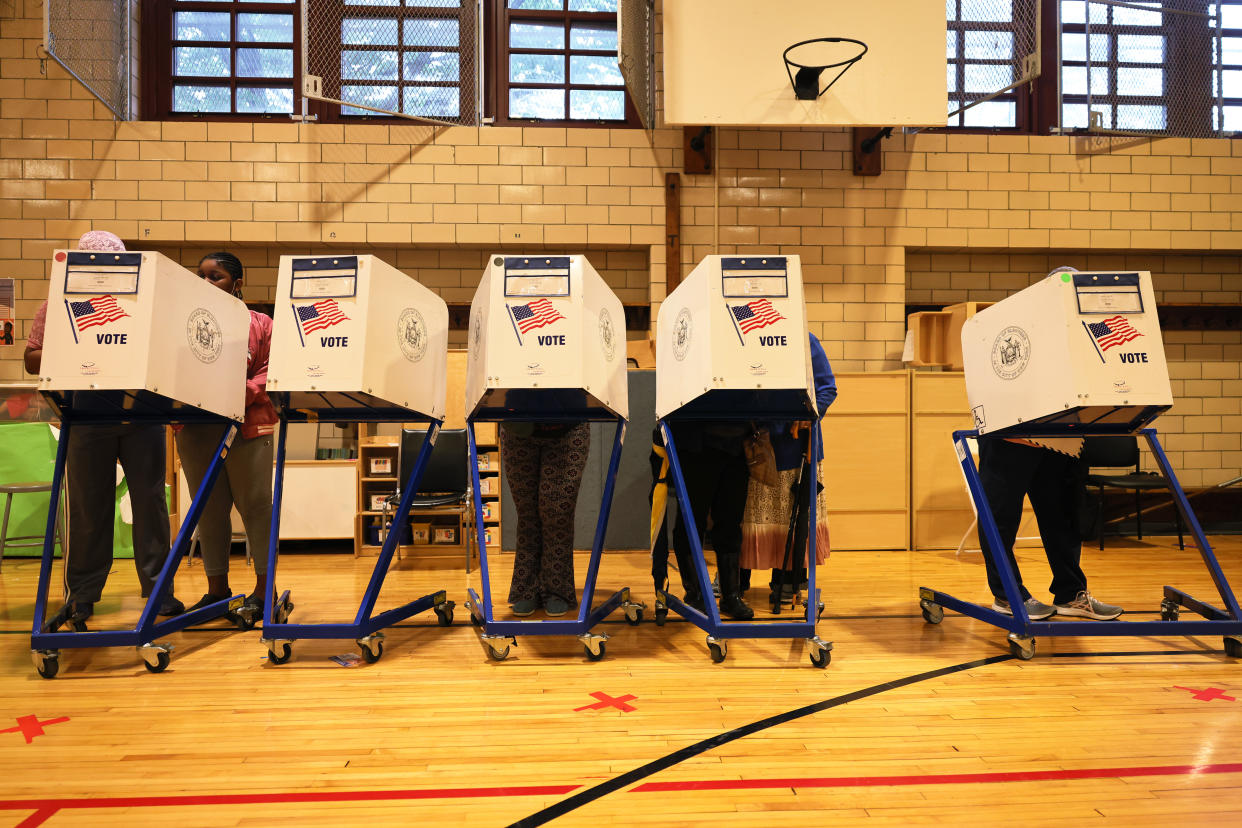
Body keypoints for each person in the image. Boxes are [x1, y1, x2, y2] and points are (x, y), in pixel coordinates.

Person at [26, 230, 182, 629]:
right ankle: (82, 595)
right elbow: (31, 359)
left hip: (142, 414)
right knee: (88, 508)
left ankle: (159, 591)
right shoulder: (59, 304)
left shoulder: (144, 306)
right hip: (86, 414)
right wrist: (76, 345)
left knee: (151, 504)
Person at [975, 266, 1122, 622]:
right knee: (1001, 518)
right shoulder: (1014, 325)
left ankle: (1071, 593)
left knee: (1065, 518)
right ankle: (1008, 594)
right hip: (1012, 436)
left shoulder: (1089, 329)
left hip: (1065, 436)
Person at [174, 252, 276, 613]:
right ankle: (217, 591)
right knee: (209, 510)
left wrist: (242, 393)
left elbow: (271, 369)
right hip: (197, 426)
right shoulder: (183, 324)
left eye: (214, 276)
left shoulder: (261, 323)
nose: (205, 283)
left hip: (248, 425)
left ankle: (265, 590)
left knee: (257, 507)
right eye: (200, 276)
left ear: (237, 282)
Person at [740, 332, 837, 605]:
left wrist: (806, 416)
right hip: (757, 444)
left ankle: (787, 580)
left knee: (793, 521)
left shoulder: (805, 339)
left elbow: (827, 388)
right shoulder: (744, 337)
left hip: (796, 448)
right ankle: (736, 580)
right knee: (745, 517)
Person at [501, 421, 591, 617]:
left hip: (568, 429)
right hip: (518, 429)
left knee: (558, 516)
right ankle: (527, 590)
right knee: (527, 515)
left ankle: (556, 590)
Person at [669, 419, 755, 620]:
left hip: (736, 446)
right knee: (691, 521)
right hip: (696, 444)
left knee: (731, 523)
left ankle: (730, 596)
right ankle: (695, 594)